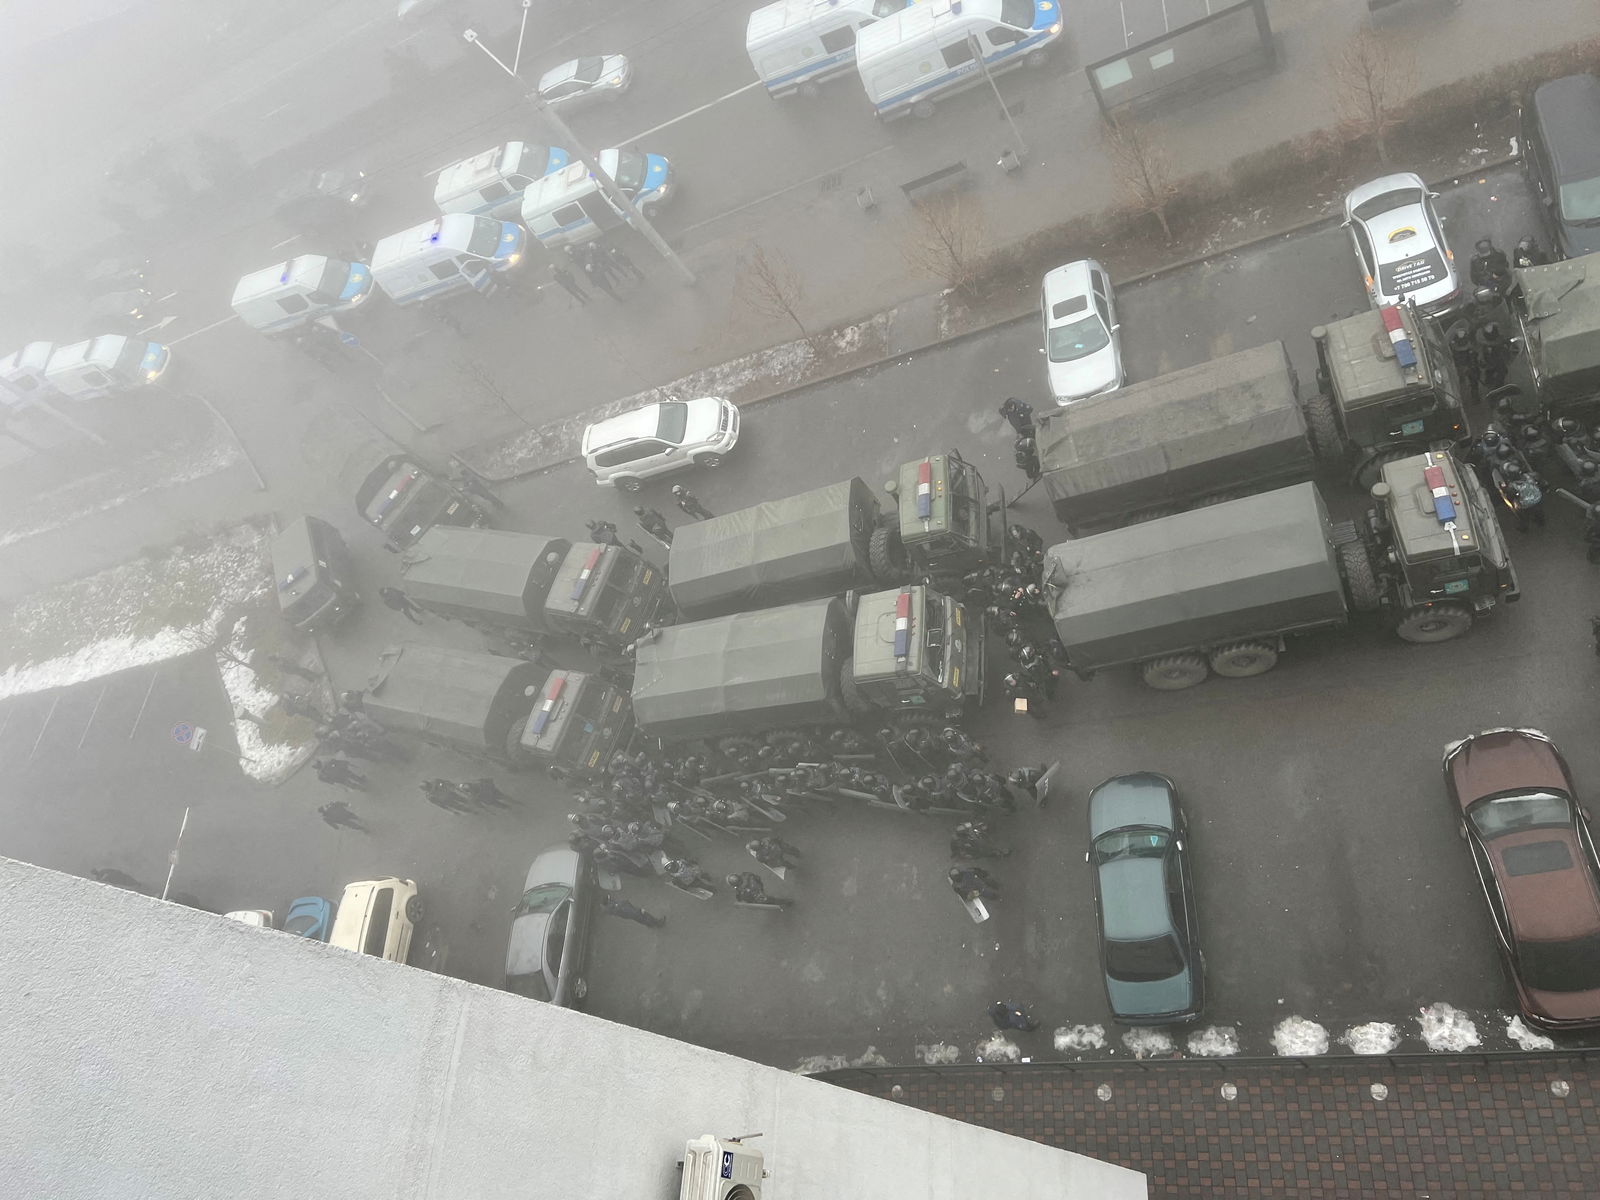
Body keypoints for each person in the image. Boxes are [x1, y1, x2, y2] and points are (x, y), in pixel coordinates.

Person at [1446, 321, 1480, 407]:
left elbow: (1474, 353)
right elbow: (1453, 357)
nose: (1461, 333)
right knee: (1461, 384)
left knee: (1474, 382)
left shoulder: (1469, 341)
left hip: (1470, 366)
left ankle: (1475, 397)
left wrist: (1473, 364)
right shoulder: (1453, 345)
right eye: (1459, 332)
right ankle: (1462, 400)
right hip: (1460, 368)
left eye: (1462, 332)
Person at [1476, 322, 1516, 391]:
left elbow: (1506, 347)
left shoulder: (1499, 339)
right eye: (1487, 327)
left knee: (1501, 372)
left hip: (1499, 362)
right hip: (1490, 365)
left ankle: (1499, 387)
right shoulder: (1484, 346)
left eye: (1490, 326)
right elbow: (1482, 360)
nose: (1489, 328)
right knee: (1490, 376)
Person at [601, 892, 666, 928]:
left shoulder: (612, 908)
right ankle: (658, 923)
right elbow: (628, 910)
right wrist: (639, 910)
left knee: (641, 920)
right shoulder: (617, 906)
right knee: (645, 916)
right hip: (633, 912)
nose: (612, 898)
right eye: (610, 898)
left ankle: (650, 924)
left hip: (630, 914)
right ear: (608, 901)